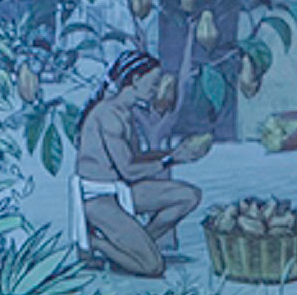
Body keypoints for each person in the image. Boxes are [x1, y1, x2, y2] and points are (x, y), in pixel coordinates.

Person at [75, 49, 206, 275]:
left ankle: (131, 249)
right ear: (135, 80)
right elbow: (128, 170)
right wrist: (170, 160)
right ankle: (96, 244)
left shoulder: (125, 112)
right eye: (153, 83)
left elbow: (134, 158)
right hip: (100, 199)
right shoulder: (109, 115)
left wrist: (175, 153)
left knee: (189, 196)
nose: (157, 89)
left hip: (122, 191)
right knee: (153, 267)